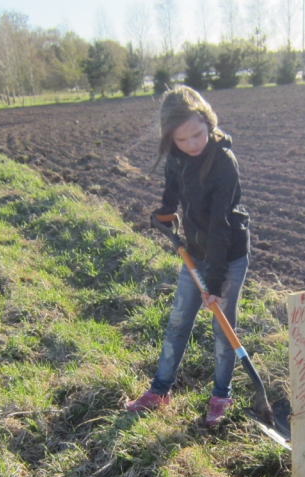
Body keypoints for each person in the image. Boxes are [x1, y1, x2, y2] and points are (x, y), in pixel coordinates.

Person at [126, 85, 251, 427]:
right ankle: (159, 390)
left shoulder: (223, 163)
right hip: (194, 251)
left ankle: (221, 396)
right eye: (182, 140)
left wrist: (213, 281)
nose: (193, 144)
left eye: (198, 134)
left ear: (208, 121)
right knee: (179, 321)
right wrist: (165, 212)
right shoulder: (178, 156)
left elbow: (221, 224)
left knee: (222, 329)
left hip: (227, 252)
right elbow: (172, 186)